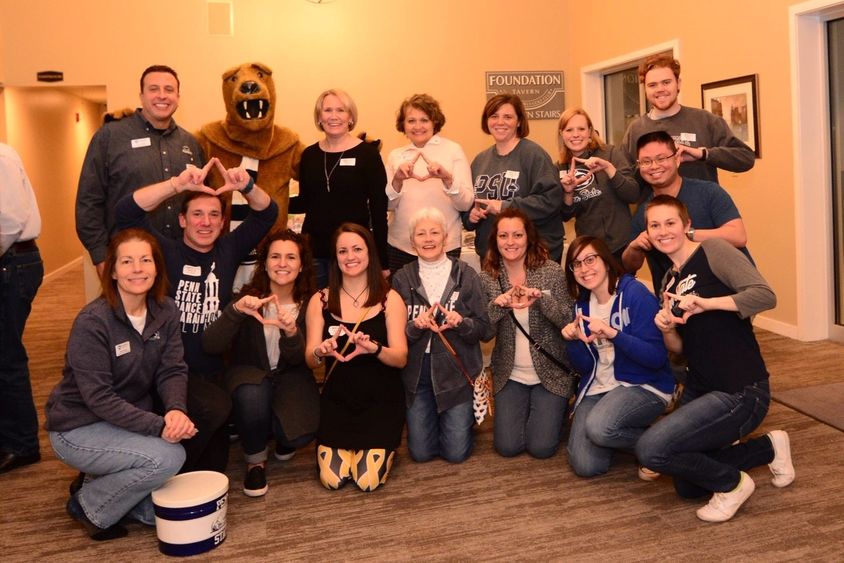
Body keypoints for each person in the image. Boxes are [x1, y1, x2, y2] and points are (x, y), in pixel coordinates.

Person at [635, 195, 794, 523]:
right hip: (701, 385)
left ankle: (733, 485)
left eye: (670, 223)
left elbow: (765, 295)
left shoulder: (713, 251)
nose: (663, 231)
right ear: (648, 233)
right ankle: (767, 448)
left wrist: (708, 303)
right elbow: (680, 349)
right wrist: (666, 328)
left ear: (687, 226)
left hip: (740, 389)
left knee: (651, 449)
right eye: (655, 225)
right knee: (687, 486)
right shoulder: (669, 280)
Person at [116, 157, 278, 473]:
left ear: (222, 223)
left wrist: (245, 186)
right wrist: (176, 185)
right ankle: (155, 468)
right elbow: (126, 212)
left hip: (212, 370)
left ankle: (166, 462)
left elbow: (267, 213)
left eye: (214, 215)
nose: (205, 222)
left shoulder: (229, 248)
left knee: (214, 465)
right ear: (182, 220)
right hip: (168, 370)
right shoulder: (164, 251)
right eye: (197, 215)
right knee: (211, 413)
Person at [45, 228, 196, 541]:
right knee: (170, 457)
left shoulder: (166, 310)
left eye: (145, 260)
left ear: (157, 267)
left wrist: (176, 410)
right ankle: (89, 506)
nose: (137, 269)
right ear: (111, 270)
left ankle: (101, 487)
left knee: (159, 515)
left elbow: (172, 369)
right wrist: (159, 426)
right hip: (77, 427)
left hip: (123, 420)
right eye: (127, 262)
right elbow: (99, 398)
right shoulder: (93, 322)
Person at [202, 230, 319, 497]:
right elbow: (211, 345)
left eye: (291, 257)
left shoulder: (312, 303)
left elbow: (300, 360)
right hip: (249, 377)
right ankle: (255, 461)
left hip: (291, 377)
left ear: (301, 265)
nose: (282, 263)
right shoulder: (246, 298)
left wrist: (291, 333)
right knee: (252, 396)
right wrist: (235, 312)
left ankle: (276, 432)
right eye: (275, 256)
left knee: (298, 437)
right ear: (264, 263)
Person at [305, 223, 407, 491]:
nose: (350, 257)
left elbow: (400, 358)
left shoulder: (390, 298)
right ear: (334, 257)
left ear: (370, 253)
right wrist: (319, 351)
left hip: (381, 402)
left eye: (357, 249)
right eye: (342, 251)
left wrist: (375, 349)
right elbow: (309, 359)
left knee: (367, 482)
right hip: (337, 402)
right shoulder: (321, 300)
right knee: (333, 480)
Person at [561, 236, 674, 478]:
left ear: (606, 261)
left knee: (599, 428)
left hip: (643, 384)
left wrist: (614, 334)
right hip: (599, 386)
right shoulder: (581, 306)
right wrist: (572, 342)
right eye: (576, 264)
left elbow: (656, 358)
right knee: (585, 465)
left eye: (590, 259)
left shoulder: (635, 294)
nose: (584, 268)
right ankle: (634, 435)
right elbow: (584, 367)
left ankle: (668, 443)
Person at [76, 65, 204, 275]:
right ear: (141, 95)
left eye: (169, 90)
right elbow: (88, 202)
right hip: (128, 261)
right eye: (154, 89)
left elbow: (198, 202)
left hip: (179, 259)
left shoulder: (190, 142)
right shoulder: (110, 137)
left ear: (178, 97)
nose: (162, 95)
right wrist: (100, 256)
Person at [392, 207, 493, 463]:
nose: (428, 239)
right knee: (421, 453)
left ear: (446, 237)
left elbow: (485, 329)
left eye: (434, 232)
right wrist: (415, 326)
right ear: (411, 241)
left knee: (456, 453)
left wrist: (462, 323)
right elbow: (393, 336)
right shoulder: (402, 278)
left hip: (457, 374)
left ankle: (460, 419)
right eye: (421, 234)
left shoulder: (466, 275)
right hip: (418, 376)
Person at [479, 208, 576, 458]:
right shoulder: (488, 277)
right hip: (510, 374)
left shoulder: (551, 271)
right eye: (503, 236)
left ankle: (555, 411)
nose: (510, 242)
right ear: (495, 240)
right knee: (508, 447)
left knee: (541, 448)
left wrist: (540, 299)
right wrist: (498, 305)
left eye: (517, 235)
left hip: (551, 372)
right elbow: (484, 333)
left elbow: (568, 322)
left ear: (528, 237)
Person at [622, 131, 751, 292]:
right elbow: (629, 265)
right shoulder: (645, 211)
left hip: (728, 291)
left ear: (677, 159)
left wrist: (685, 234)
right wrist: (635, 247)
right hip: (677, 301)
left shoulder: (708, 192)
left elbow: (738, 236)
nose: (654, 166)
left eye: (661, 158)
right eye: (646, 161)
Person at [290, 89, 388, 288]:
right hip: (315, 254)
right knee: (314, 311)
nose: (333, 116)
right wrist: (267, 198)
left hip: (353, 255)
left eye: (340, 110)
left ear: (350, 117)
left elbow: (379, 211)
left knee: (349, 313)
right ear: (319, 117)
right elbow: (304, 202)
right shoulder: (309, 155)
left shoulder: (367, 155)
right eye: (327, 110)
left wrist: (382, 261)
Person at [620, 54, 755, 184]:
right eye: (652, 85)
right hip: (653, 206)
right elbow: (625, 178)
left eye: (666, 82)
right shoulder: (636, 129)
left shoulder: (705, 120)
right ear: (645, 89)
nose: (660, 89)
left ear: (678, 83)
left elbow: (745, 158)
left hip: (701, 206)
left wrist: (702, 154)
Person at [463, 94, 564, 262]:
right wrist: (471, 217)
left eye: (507, 117)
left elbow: (550, 201)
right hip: (492, 256)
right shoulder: (480, 160)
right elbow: (468, 207)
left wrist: (504, 206)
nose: (500, 122)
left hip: (532, 256)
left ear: (518, 121)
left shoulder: (534, 155)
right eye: (494, 116)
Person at [385, 94, 474, 274]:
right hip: (401, 246)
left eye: (424, 120)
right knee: (402, 300)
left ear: (435, 122)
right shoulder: (395, 155)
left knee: (443, 301)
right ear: (403, 124)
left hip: (444, 246)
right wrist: (397, 181)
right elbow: (387, 205)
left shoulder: (452, 150)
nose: (418, 126)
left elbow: (466, 203)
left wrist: (447, 179)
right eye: (411, 120)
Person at [0, 143, 44, 474]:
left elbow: (9, 220)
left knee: (6, 356)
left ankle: (22, 444)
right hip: (11, 261)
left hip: (11, 263)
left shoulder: (0, 156)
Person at [557, 108, 640, 261]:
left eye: (581, 129)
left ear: (590, 131)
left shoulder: (610, 154)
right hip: (589, 250)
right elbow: (565, 215)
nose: (575, 134)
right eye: (569, 130)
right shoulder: (561, 167)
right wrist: (568, 192)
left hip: (621, 246)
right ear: (562, 134)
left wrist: (609, 169)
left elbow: (633, 194)